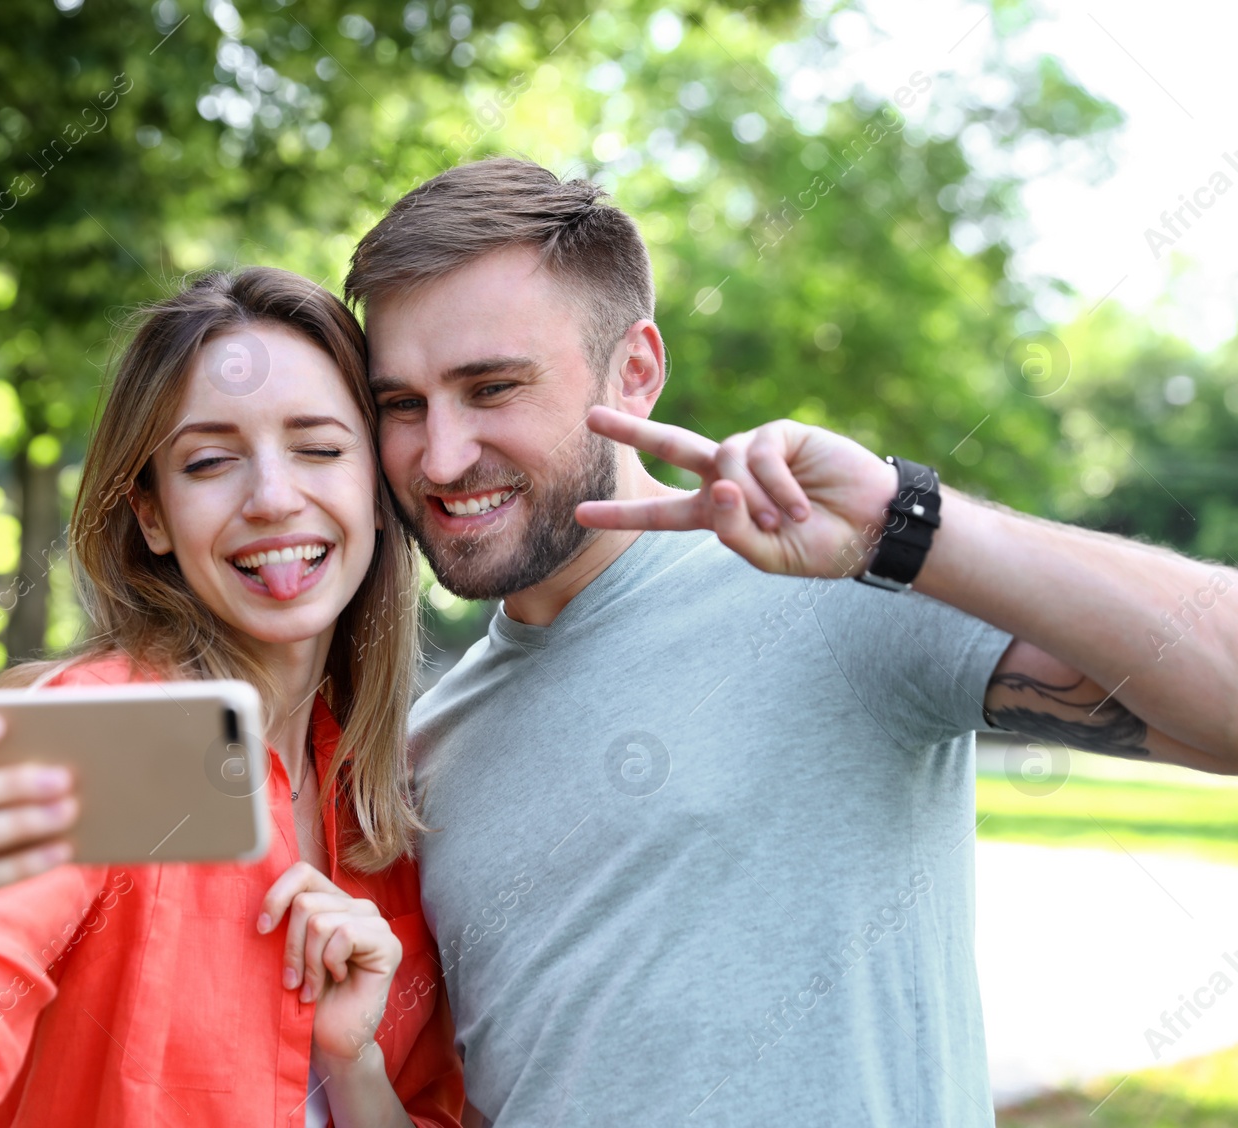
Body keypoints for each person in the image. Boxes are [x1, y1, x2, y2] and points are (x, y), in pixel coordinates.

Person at [344, 157, 1238, 1126]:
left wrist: (912, 524)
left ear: (634, 371)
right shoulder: (428, 749)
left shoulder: (836, 588)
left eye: (492, 387)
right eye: (402, 403)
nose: (438, 456)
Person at [0, 268, 464, 1127]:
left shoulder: (386, 805)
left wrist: (354, 1061)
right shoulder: (99, 741)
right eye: (211, 461)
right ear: (152, 514)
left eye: (319, 448)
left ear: (374, 490)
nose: (272, 497)